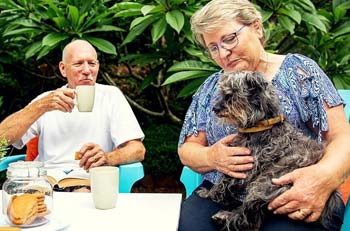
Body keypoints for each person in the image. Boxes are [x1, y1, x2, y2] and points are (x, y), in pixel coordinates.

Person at [177, 0, 350, 230]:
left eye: (229, 38)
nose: (223, 53)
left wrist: (323, 177)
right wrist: (211, 157)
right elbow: (187, 149)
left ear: (257, 27)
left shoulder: (299, 72)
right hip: (224, 190)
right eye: (213, 47)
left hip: (291, 187)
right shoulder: (211, 87)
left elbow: (342, 137)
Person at [0, 39, 145, 192]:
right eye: (78, 64)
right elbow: (2, 139)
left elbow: (138, 149)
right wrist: (40, 107)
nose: (87, 70)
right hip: (44, 182)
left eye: (92, 64)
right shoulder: (48, 99)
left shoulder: (111, 96)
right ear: (63, 69)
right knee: (25, 205)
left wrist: (108, 158)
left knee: (81, 198)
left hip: (88, 180)